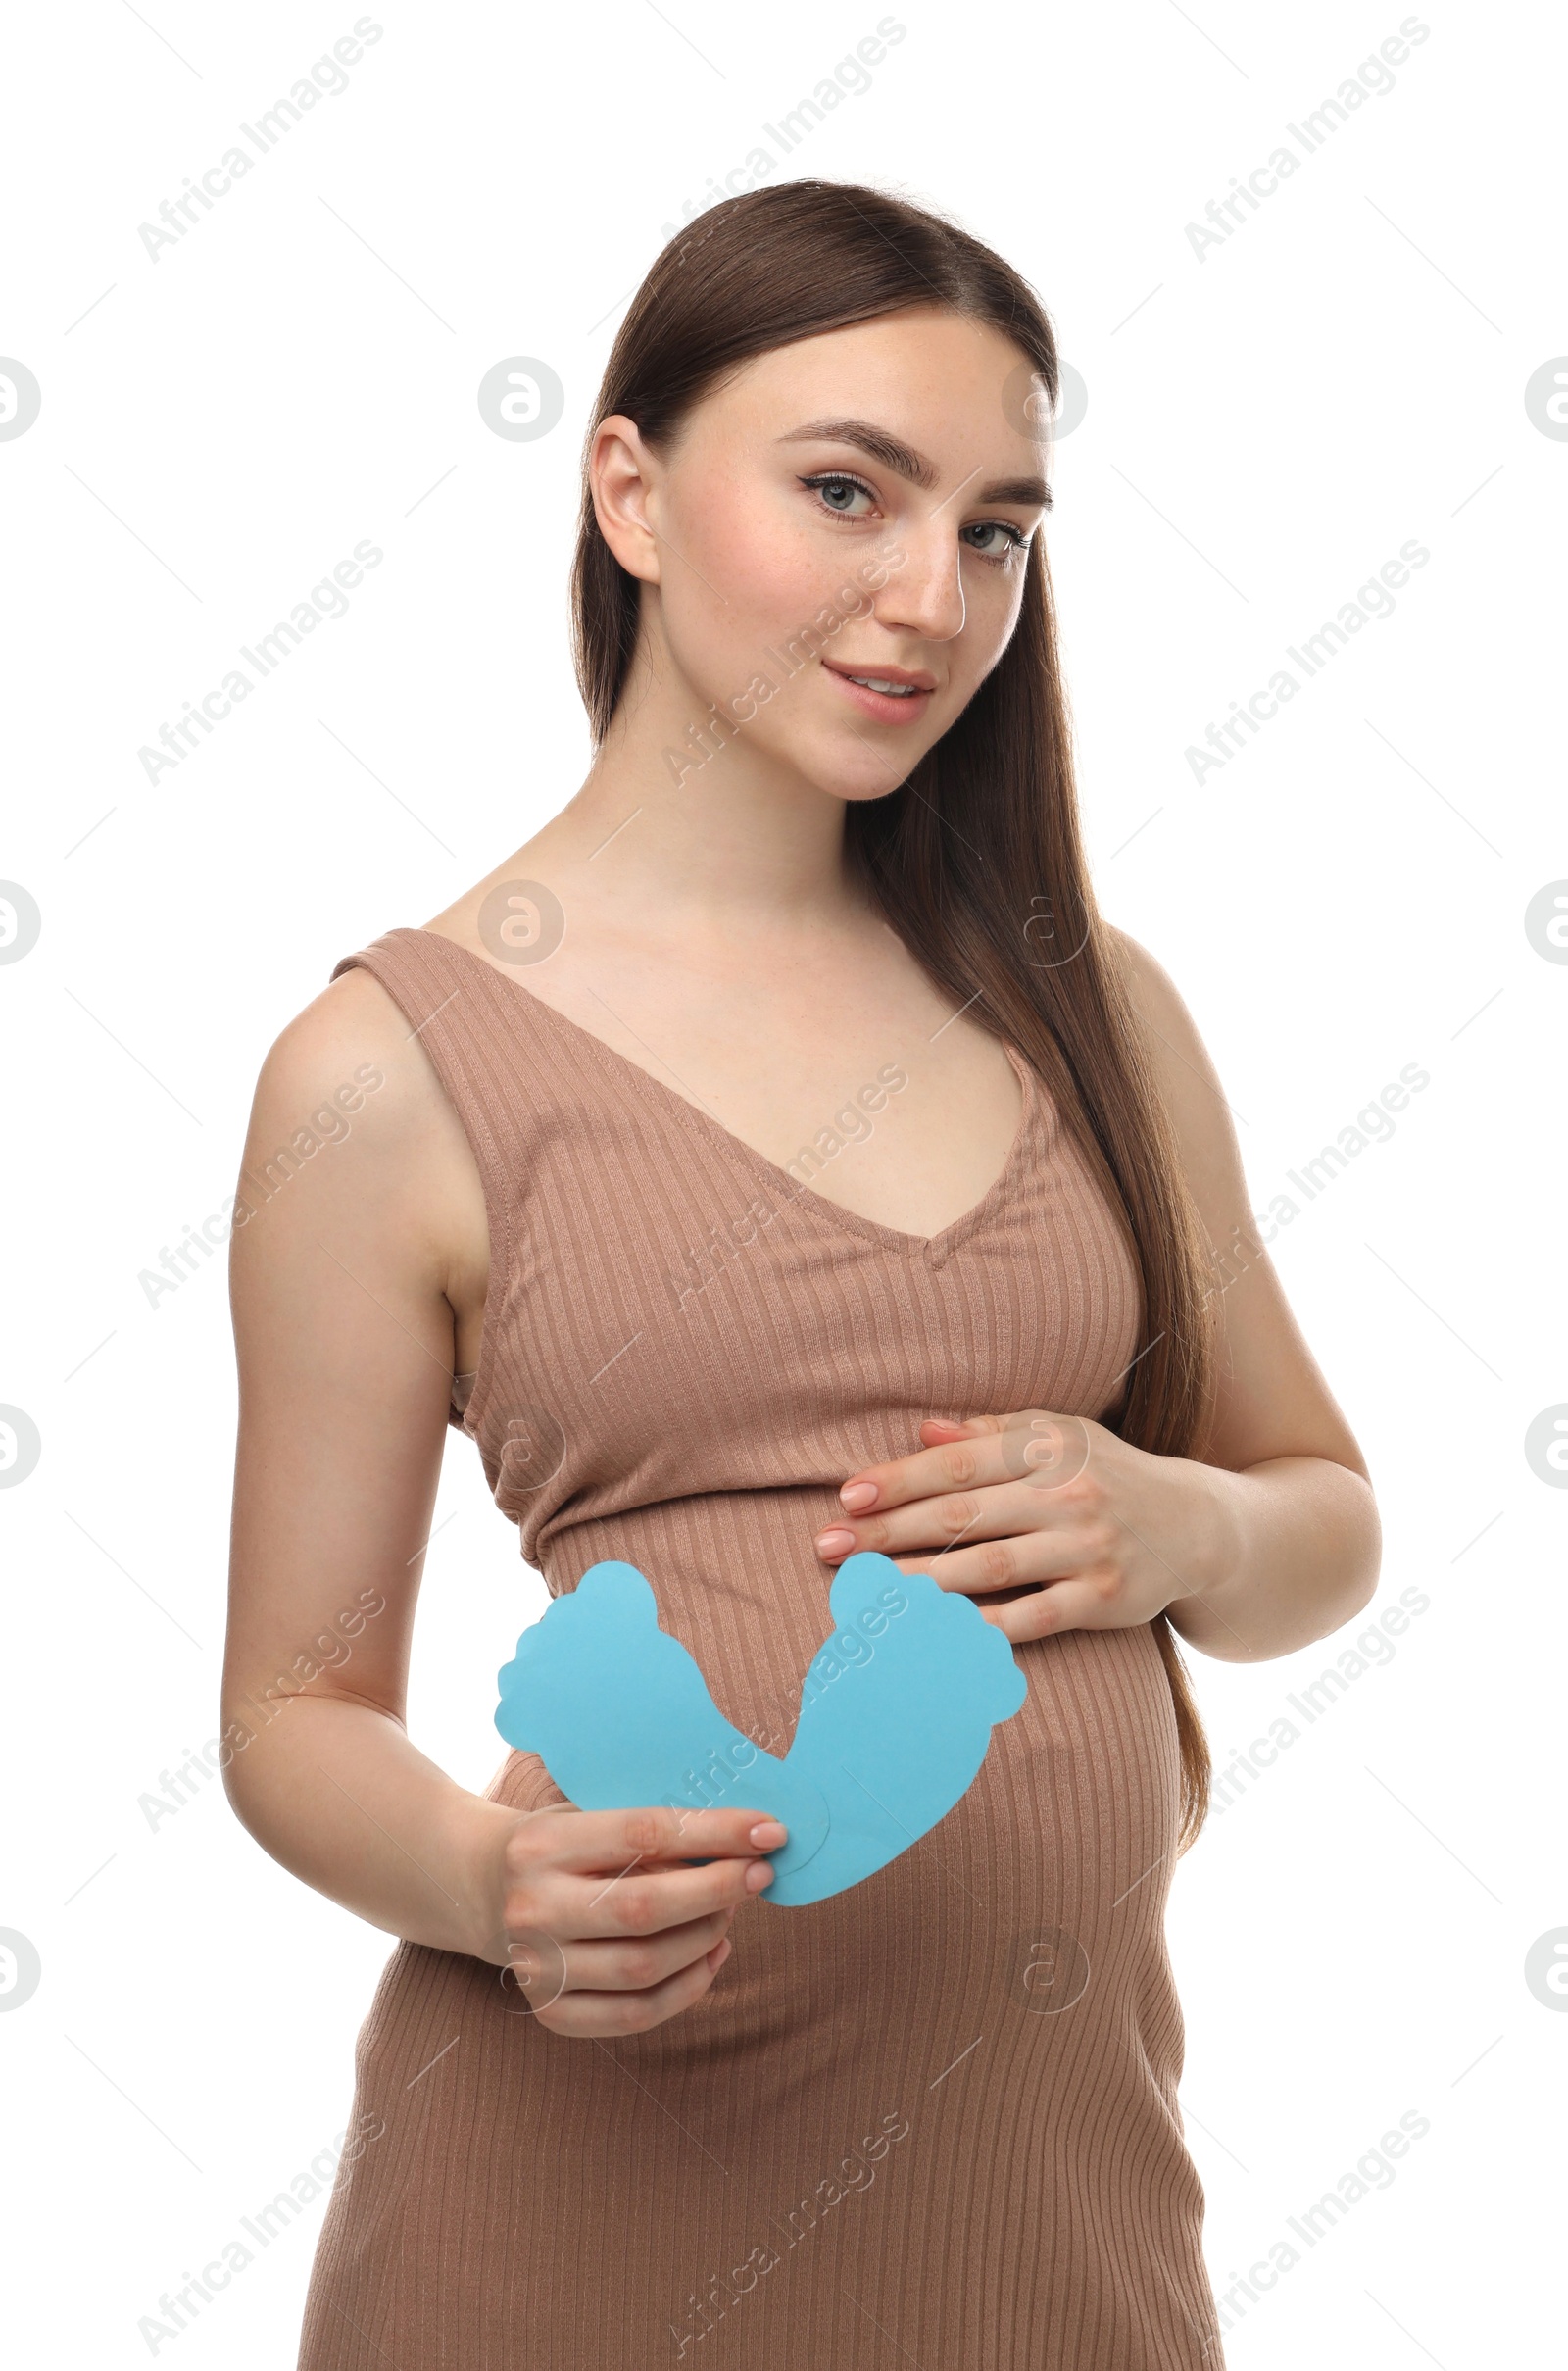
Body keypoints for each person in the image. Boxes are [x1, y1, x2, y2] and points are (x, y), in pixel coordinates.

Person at [221, 179, 1380, 2370]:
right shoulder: (383, 1076)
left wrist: (1176, 1521)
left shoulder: (1085, 1011)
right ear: (630, 492)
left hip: (1051, 2241)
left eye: (994, 529)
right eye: (845, 490)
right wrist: (487, 1889)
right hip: (565, 2245)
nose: (926, 596)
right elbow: (290, 1714)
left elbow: (1315, 1521)